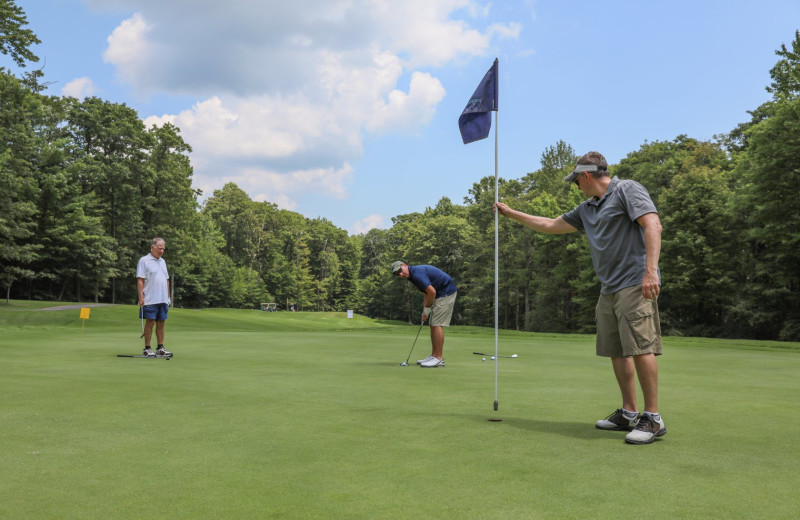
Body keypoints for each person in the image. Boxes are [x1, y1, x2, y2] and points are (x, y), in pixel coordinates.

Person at [494, 151, 666, 444]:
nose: (576, 186)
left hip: (635, 283)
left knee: (641, 347)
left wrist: (650, 272)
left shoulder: (627, 190)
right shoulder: (586, 208)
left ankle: (652, 418)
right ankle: (629, 412)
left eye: (576, 181)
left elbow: (653, 225)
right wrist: (511, 213)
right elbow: (550, 225)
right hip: (608, 288)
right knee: (617, 350)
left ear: (586, 176)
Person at [392, 261, 457, 368]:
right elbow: (425, 293)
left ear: (404, 265)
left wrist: (427, 309)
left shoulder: (417, 273)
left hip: (446, 292)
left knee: (436, 324)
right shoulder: (411, 276)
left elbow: (432, 292)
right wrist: (424, 311)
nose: (400, 274)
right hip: (440, 292)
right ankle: (434, 355)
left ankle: (439, 359)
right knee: (432, 323)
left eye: (400, 271)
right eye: (397, 274)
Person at [136, 237, 173, 358]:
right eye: (159, 248)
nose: (161, 251)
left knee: (161, 323)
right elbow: (140, 280)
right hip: (150, 298)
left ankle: (160, 348)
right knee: (150, 323)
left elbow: (166, 280)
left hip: (162, 299)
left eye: (163, 249)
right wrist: (141, 297)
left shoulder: (163, 261)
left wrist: (168, 297)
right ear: (152, 247)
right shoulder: (144, 261)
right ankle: (147, 348)